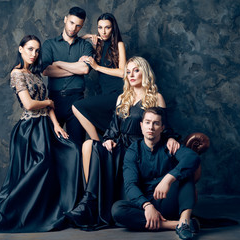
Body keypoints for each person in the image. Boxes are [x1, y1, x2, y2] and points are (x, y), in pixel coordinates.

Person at [0, 35, 83, 233]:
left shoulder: (36, 75)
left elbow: (47, 105)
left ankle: (61, 208)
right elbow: (29, 104)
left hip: (45, 126)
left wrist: (57, 126)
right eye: (30, 49)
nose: (34, 54)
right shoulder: (17, 74)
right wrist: (48, 103)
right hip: (30, 130)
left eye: (37, 51)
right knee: (41, 165)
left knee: (72, 152)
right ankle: (16, 213)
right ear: (20, 49)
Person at [65, 56, 180, 230]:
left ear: (145, 73)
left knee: (98, 150)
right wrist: (109, 140)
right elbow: (113, 129)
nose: (131, 75)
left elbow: (164, 128)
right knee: (90, 145)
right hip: (120, 145)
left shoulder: (156, 97)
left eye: (136, 70)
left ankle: (92, 204)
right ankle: (89, 202)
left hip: (138, 150)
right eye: (128, 72)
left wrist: (171, 138)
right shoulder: (122, 98)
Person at [111, 107, 200, 240]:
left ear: (162, 127)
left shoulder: (170, 145)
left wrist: (168, 179)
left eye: (156, 123)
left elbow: (193, 157)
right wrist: (147, 206)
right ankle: (177, 225)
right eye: (147, 122)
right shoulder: (133, 150)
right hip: (146, 204)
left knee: (186, 175)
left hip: (169, 200)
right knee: (117, 210)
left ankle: (185, 219)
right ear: (141, 126)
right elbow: (130, 185)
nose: (151, 127)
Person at [42, 6, 94, 146]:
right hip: (54, 101)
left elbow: (84, 69)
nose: (73, 28)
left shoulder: (85, 46)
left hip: (76, 101)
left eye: (78, 26)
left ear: (82, 26)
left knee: (77, 147)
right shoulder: (49, 44)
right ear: (65, 19)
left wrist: (58, 63)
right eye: (71, 23)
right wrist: (75, 67)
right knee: (50, 147)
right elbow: (46, 71)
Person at [72, 13, 126, 140]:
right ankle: (100, 144)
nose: (103, 31)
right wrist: (88, 36)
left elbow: (123, 72)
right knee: (108, 131)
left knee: (78, 107)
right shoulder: (99, 45)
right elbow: (74, 40)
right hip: (104, 93)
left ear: (113, 28)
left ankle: (96, 143)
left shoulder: (119, 44)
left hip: (118, 94)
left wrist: (97, 67)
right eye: (100, 27)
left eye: (107, 27)